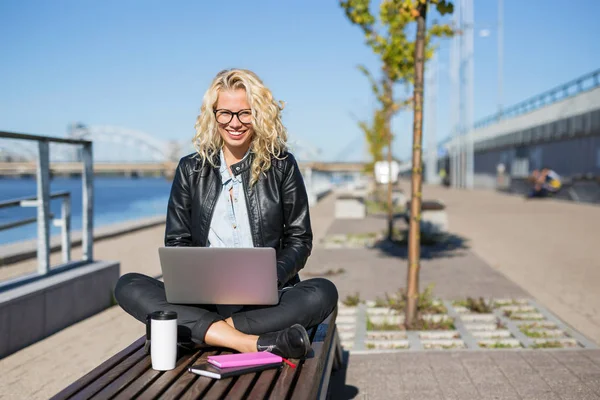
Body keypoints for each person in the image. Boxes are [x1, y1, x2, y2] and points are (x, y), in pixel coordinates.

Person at [114, 69, 338, 359]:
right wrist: (192, 282)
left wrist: (272, 277)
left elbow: (299, 239)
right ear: (213, 114)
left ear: (258, 114)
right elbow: (177, 242)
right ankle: (252, 343)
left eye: (245, 113)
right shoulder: (190, 169)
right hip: (203, 301)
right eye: (226, 114)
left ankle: (198, 335)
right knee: (128, 285)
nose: (235, 123)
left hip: (267, 300)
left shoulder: (281, 166)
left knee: (323, 292)